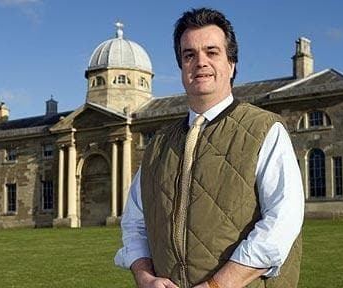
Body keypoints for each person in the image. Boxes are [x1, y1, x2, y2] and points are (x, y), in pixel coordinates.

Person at [115, 7, 304, 288]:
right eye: (189, 55)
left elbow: (282, 222)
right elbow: (134, 225)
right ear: (181, 68)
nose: (200, 62)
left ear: (231, 64)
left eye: (212, 52)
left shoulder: (265, 129)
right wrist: (144, 276)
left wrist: (218, 285)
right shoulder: (157, 146)